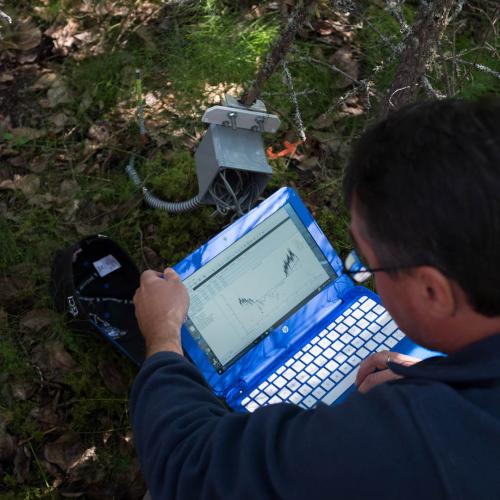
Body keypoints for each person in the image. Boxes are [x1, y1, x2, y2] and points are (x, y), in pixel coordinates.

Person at [130, 98, 500, 499]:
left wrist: (164, 335)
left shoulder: (405, 442)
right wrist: (441, 379)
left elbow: (189, 469)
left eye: (365, 264)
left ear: (433, 291)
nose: (361, 274)